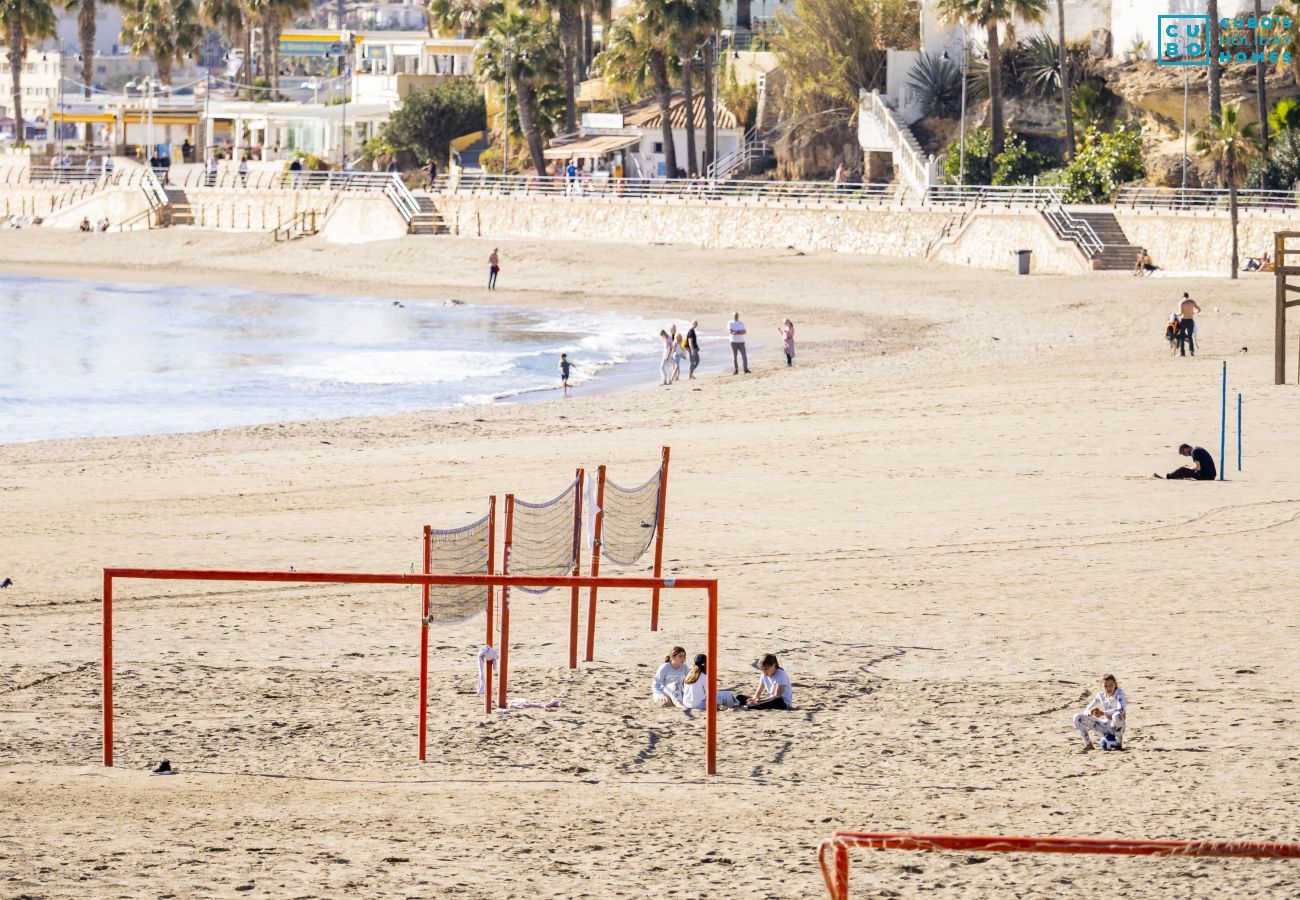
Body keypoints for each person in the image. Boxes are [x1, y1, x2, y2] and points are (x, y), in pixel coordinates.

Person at [1073, 674, 1127, 751]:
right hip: (1104, 726)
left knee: (1116, 715)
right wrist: (1091, 712)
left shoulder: (1119, 693)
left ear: (1115, 684)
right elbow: (1086, 710)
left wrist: (1103, 713)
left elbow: (1120, 709)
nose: (1109, 688)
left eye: (1111, 685)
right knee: (1077, 717)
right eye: (1106, 686)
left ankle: (1118, 744)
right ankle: (1088, 744)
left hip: (1116, 727)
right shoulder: (1100, 695)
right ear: (1102, 686)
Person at [1177, 292, 1200, 357]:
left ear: (1183, 297)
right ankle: (1191, 351)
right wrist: (1193, 312)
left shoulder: (1181, 302)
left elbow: (1181, 313)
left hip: (1184, 320)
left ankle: (1182, 353)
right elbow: (1198, 310)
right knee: (1190, 336)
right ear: (1188, 296)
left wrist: (1176, 314)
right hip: (1190, 320)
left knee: (1182, 336)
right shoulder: (1192, 302)